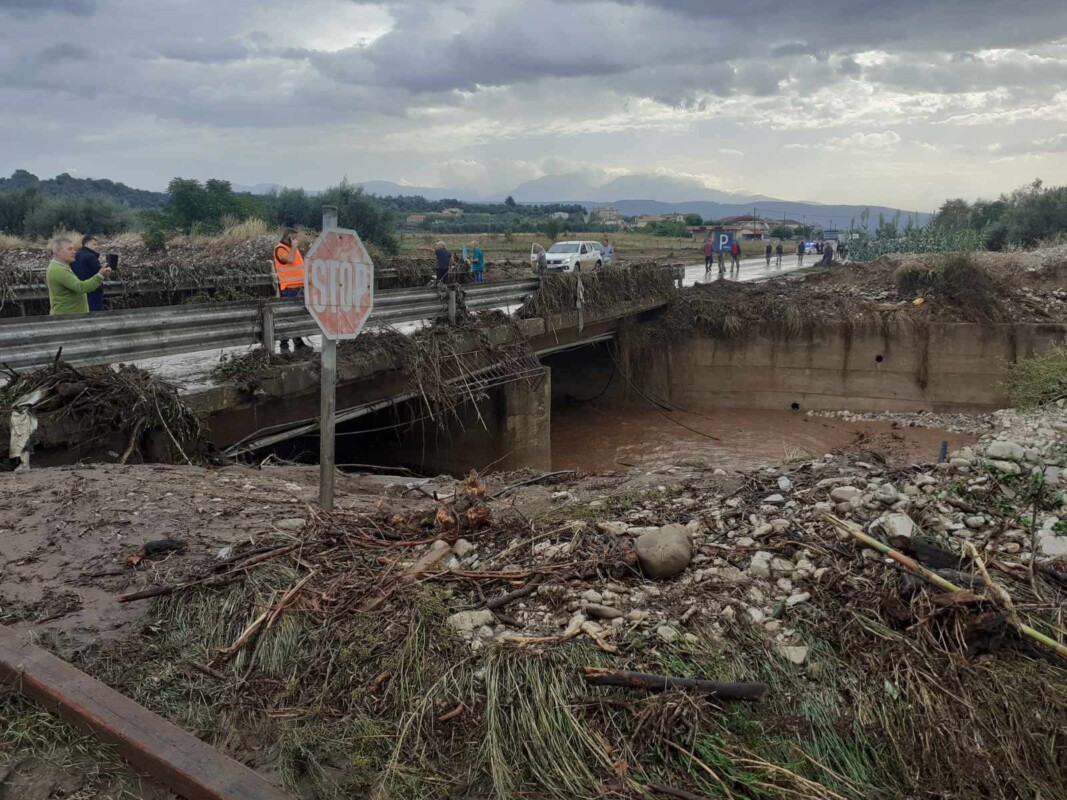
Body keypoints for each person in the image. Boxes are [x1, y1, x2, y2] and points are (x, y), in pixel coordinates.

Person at [46, 236, 111, 316]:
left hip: (70, 316)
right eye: (70, 249)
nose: (74, 252)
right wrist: (100, 275)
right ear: (57, 251)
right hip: (67, 318)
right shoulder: (58, 270)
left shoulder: (62, 266)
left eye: (73, 249)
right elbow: (81, 287)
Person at [273, 227, 309, 351]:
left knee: (296, 317)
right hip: (288, 288)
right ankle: (284, 345)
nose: (297, 240)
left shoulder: (292, 249)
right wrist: (294, 247)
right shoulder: (280, 249)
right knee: (288, 316)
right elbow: (289, 260)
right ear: (289, 237)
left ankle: (298, 344)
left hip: (299, 287)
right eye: (294, 238)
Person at [72, 234, 106, 312]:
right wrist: (104, 269)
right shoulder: (91, 256)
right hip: (93, 289)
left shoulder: (75, 255)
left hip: (78, 289)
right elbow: (99, 272)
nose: (96, 246)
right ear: (86, 244)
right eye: (94, 244)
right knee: (96, 314)